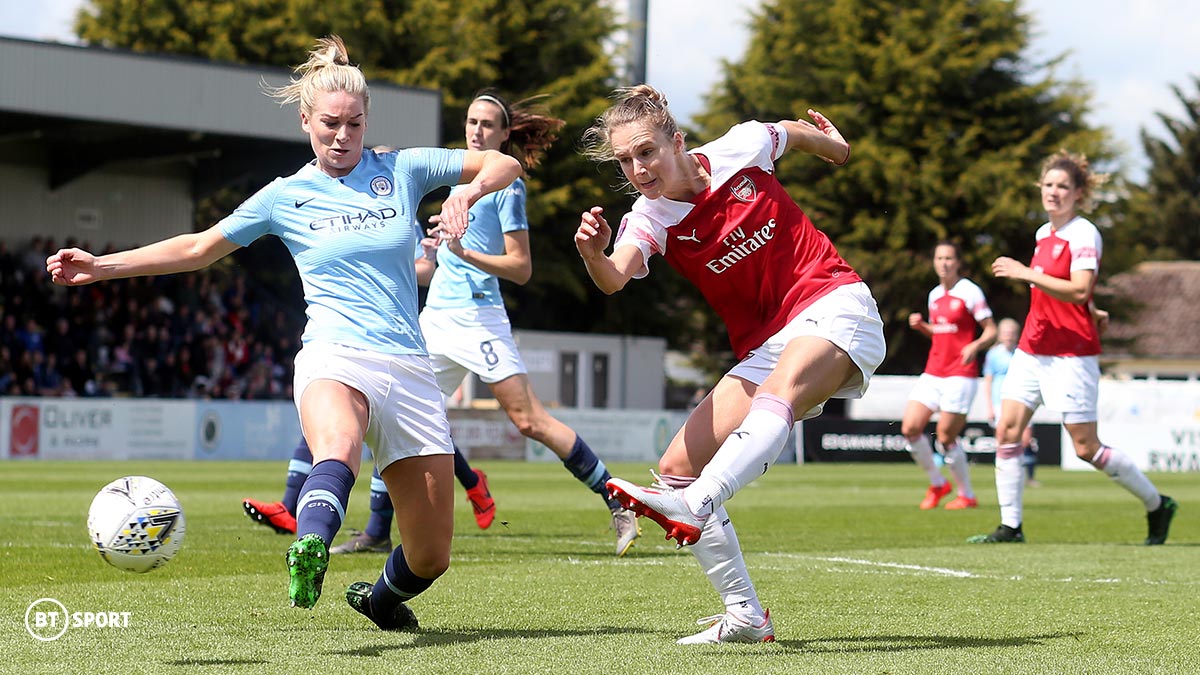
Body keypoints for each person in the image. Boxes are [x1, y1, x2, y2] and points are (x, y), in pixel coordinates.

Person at [47, 36, 524, 630]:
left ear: (367, 121)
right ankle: (314, 545)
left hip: (408, 364)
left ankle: (380, 599)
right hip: (333, 352)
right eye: (330, 123)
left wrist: (468, 192)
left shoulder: (402, 169)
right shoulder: (285, 194)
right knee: (338, 448)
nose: (342, 135)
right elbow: (198, 247)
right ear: (306, 121)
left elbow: (506, 164)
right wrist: (103, 265)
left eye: (354, 123)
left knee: (431, 555)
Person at [574, 85, 885, 643]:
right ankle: (744, 615)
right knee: (675, 467)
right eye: (624, 160)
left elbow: (791, 132)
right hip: (770, 341)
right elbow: (616, 277)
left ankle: (698, 503)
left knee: (779, 392)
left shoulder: (741, 145)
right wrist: (594, 254)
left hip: (836, 303)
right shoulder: (648, 216)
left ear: (676, 139)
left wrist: (839, 151)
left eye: (645, 151)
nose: (637, 169)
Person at [334, 90, 641, 557]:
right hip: (436, 317)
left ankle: (618, 501)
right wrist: (435, 250)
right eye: (471, 121)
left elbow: (520, 267)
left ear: (503, 135)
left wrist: (463, 253)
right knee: (391, 415)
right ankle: (377, 530)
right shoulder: (457, 182)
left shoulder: (507, 186)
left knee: (529, 421)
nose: (477, 130)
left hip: (479, 318)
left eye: (487, 124)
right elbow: (440, 256)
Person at [970, 149, 1178, 544]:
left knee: (1085, 447)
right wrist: (1093, 309)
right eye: (1048, 185)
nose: (1053, 192)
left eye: (1063, 186)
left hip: (1071, 354)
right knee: (1007, 430)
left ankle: (1157, 503)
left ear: (1079, 194)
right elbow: (1068, 291)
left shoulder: (1083, 233)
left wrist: (1026, 273)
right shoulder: (1042, 234)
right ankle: (1010, 527)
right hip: (1033, 348)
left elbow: (1080, 288)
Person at [901, 241, 996, 510]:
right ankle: (938, 483)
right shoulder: (934, 295)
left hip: (960, 374)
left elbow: (991, 330)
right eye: (939, 258)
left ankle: (967, 494)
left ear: (957, 263)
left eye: (949, 258)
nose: (943, 263)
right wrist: (922, 327)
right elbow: (942, 332)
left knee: (945, 436)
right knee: (910, 428)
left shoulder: (969, 292)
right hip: (934, 371)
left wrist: (975, 345)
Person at [981, 317, 1039, 486]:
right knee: (1004, 439)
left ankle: (1028, 476)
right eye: (1005, 333)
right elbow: (988, 380)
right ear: (999, 335)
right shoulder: (993, 354)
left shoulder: (1023, 353)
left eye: (1012, 333)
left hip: (1021, 398)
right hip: (1001, 400)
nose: (1009, 336)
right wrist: (990, 406)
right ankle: (1005, 476)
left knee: (1026, 439)